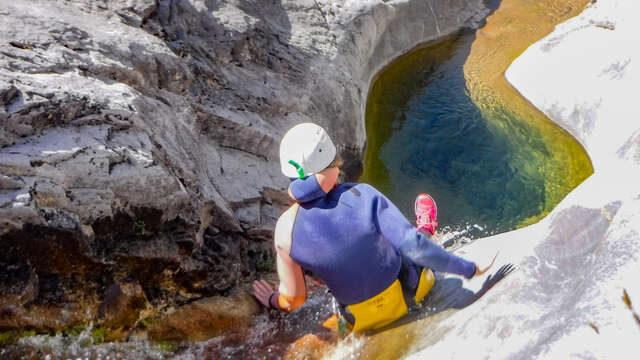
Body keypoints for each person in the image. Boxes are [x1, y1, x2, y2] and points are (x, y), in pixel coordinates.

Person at [252, 123, 496, 332]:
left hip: (359, 321)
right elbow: (413, 248)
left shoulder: (284, 230)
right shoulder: (364, 196)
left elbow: (293, 299)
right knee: (406, 239)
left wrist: (273, 300)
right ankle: (427, 227)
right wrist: (469, 269)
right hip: (411, 295)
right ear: (332, 166)